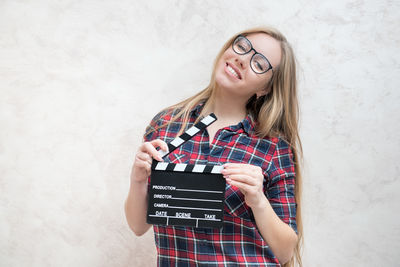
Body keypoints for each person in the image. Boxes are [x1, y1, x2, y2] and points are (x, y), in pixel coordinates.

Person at [125, 26, 303, 267]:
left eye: (259, 64)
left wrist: (258, 200)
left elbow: (285, 252)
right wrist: (137, 179)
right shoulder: (167, 125)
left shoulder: (272, 147)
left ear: (266, 88)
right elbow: (138, 226)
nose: (242, 59)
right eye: (241, 46)